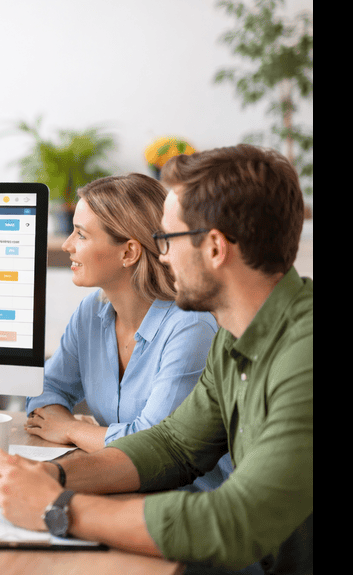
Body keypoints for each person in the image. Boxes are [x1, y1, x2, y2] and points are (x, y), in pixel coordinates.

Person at [0, 145, 312, 574]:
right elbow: (174, 445)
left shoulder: (303, 352)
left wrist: (59, 507)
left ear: (214, 248)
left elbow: (238, 522)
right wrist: (57, 476)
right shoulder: (234, 338)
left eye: (168, 239)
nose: (162, 256)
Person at [24, 173, 232, 492]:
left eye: (80, 234)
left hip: (189, 505)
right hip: (122, 486)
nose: (67, 245)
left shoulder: (190, 326)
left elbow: (154, 443)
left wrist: (70, 429)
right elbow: (44, 388)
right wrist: (67, 424)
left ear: (129, 252)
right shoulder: (91, 312)